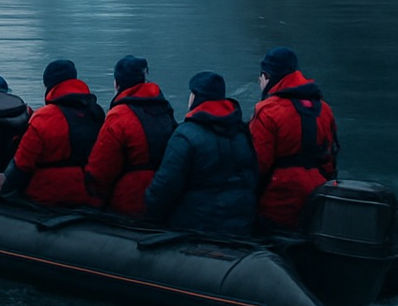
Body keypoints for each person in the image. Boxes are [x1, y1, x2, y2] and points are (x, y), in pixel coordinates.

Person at [143, 71, 257, 235]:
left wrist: (150, 214)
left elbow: (165, 186)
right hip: (240, 223)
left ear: (196, 97)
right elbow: (253, 177)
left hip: (198, 225)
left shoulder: (186, 135)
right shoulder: (242, 132)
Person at [250, 47, 339, 231]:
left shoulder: (267, 111)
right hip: (318, 192)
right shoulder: (324, 109)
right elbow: (330, 157)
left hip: (279, 199)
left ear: (267, 76)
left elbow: (258, 163)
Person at [0, 60, 105, 206]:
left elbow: (22, 164)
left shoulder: (44, 117)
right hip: (88, 194)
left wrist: (4, 191)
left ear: (48, 86)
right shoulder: (96, 113)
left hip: (47, 195)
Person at [85, 55, 176, 215]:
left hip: (129, 202)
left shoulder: (119, 117)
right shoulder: (164, 110)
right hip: (165, 198)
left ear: (117, 84)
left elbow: (101, 170)